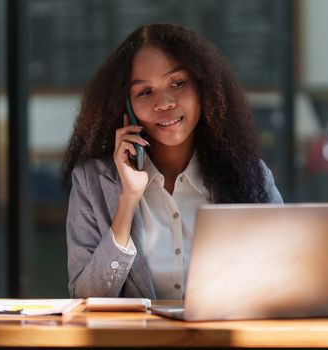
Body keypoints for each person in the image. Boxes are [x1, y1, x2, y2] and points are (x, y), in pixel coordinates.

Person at [62, 23, 282, 299]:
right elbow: (84, 297)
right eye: (144, 92)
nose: (164, 102)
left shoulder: (250, 175)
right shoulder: (91, 181)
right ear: (126, 107)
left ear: (204, 89)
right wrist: (128, 201)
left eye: (178, 83)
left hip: (223, 341)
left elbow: (282, 278)